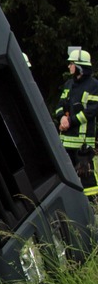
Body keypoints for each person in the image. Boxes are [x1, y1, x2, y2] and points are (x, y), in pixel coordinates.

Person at [55, 48, 98, 196]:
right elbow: (60, 105)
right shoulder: (69, 84)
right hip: (65, 143)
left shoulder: (94, 86)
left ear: (79, 66)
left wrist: (70, 122)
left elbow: (91, 111)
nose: (69, 66)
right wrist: (61, 117)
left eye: (71, 63)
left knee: (87, 179)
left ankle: (92, 208)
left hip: (83, 144)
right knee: (66, 178)